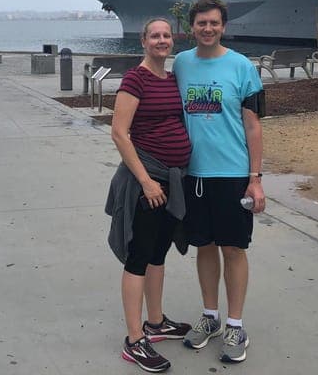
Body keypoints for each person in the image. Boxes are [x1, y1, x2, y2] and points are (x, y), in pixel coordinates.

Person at [172, 0, 265, 364]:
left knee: (234, 249)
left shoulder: (242, 67)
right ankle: (210, 317)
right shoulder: (180, 64)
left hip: (232, 174)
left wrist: (255, 178)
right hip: (194, 174)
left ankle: (236, 324)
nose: (207, 29)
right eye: (200, 23)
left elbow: (253, 125)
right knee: (205, 247)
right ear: (191, 27)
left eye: (213, 23)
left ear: (223, 26)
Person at [105, 18, 193, 373]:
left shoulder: (170, 78)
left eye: (166, 35)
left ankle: (156, 322)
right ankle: (134, 338)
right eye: (154, 35)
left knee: (159, 253)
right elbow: (119, 133)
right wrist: (145, 181)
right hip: (148, 182)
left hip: (171, 181)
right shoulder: (135, 79)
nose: (161, 40)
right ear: (143, 41)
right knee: (138, 257)